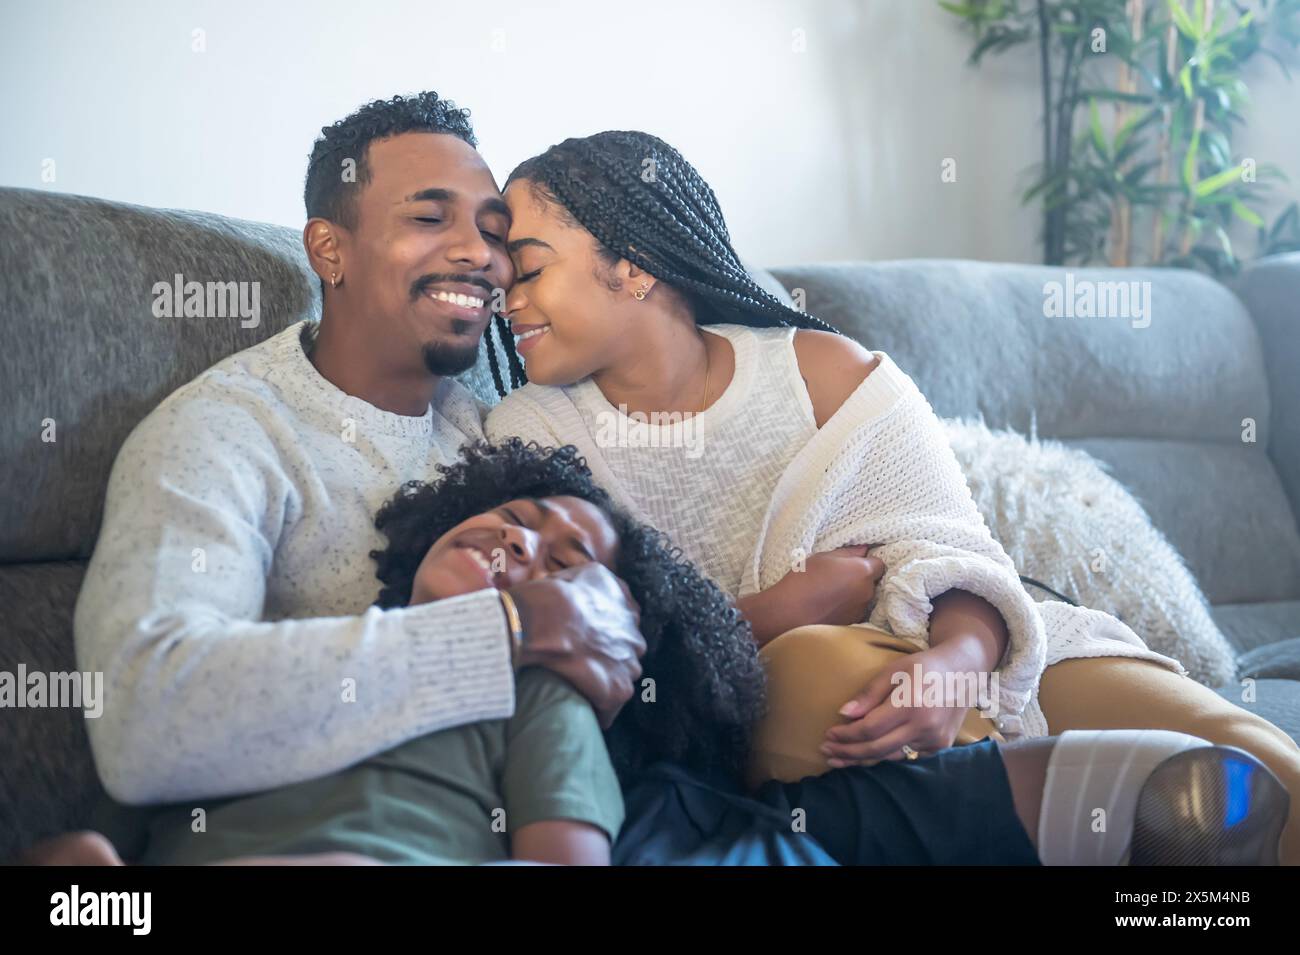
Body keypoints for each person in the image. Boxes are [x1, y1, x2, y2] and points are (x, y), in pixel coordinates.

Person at [481, 130, 1300, 864]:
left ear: (631, 265)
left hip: (1000, 650)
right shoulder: (532, 433)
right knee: (816, 665)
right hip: (818, 700)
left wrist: (956, 665)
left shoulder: (824, 370)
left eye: (533, 268)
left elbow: (956, 549)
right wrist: (790, 605)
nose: (506, 299)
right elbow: (603, 638)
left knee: (1252, 761)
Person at [33, 442, 1292, 866]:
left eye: (578, 558)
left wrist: (802, 603)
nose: (530, 547)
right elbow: (133, 803)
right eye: (509, 519)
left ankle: (1171, 835)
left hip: (704, 809)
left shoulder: (572, 710)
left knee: (1172, 803)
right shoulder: (291, 656)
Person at [71, 93, 645, 812]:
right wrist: (510, 630)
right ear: (329, 250)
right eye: (428, 218)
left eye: (493, 232)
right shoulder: (220, 434)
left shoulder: (497, 432)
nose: (479, 256)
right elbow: (143, 717)